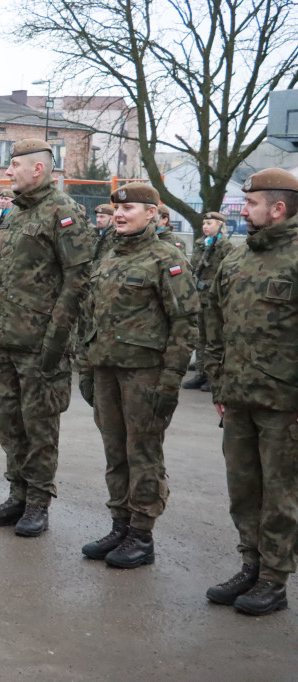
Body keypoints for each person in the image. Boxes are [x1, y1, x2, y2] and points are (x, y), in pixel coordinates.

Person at [78, 183, 199, 568]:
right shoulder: (109, 254)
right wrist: (86, 365)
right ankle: (120, 524)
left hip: (144, 375)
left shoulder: (167, 258)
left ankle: (142, 534)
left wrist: (170, 381)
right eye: (117, 208)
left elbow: (185, 322)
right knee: (115, 453)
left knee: (142, 454)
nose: (119, 214)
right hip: (106, 370)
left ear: (152, 213)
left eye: (129, 208)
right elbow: (90, 315)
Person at [0, 138, 93, 536]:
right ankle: (17, 495)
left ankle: (38, 503)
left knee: (39, 426)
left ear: (38, 169)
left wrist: (55, 341)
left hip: (42, 343)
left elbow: (78, 280)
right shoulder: (14, 215)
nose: (8, 173)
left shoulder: (64, 212)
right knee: (10, 424)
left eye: (14, 166)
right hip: (7, 338)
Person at [204, 167, 298, 616]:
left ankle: (274, 580)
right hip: (238, 397)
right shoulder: (237, 257)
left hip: (285, 404)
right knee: (243, 488)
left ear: (278, 208)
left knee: (281, 495)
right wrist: (218, 378)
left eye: (252, 203)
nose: (243, 210)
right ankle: (251, 565)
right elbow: (215, 321)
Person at [182, 211, 235, 392]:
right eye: (204, 223)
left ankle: (213, 377)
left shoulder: (225, 247)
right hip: (198, 298)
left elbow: (228, 273)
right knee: (200, 338)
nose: (206, 226)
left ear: (221, 225)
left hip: (213, 299)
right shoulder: (199, 245)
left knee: (214, 338)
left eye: (210, 223)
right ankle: (201, 373)